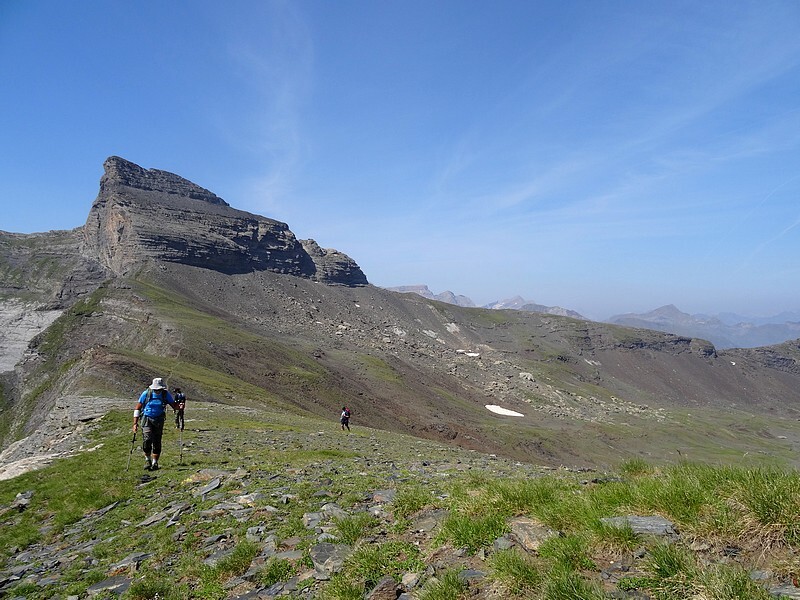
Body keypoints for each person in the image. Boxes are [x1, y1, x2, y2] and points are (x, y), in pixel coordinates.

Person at [133, 377, 176, 471]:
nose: (157, 391)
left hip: (159, 419)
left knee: (157, 441)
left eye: (159, 389)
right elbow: (138, 407)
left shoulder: (165, 394)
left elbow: (173, 405)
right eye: (156, 389)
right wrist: (135, 424)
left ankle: (155, 462)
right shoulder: (146, 393)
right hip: (147, 418)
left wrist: (179, 407)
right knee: (147, 439)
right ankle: (147, 460)